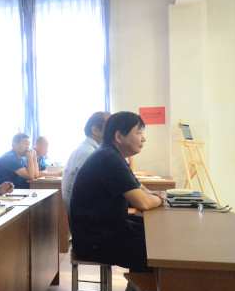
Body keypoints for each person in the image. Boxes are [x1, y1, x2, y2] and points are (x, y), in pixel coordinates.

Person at [68, 111, 167, 273]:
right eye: (138, 133)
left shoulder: (112, 155)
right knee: (161, 251)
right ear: (119, 136)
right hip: (95, 241)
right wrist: (162, 198)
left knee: (158, 234)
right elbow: (142, 203)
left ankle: (137, 288)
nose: (143, 139)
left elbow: (141, 189)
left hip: (106, 229)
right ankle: (142, 290)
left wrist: (154, 196)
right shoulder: (108, 158)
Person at [62, 111, 111, 208]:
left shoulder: (89, 148)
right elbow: (96, 191)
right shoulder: (88, 153)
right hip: (87, 213)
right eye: (109, 127)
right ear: (95, 129)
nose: (114, 132)